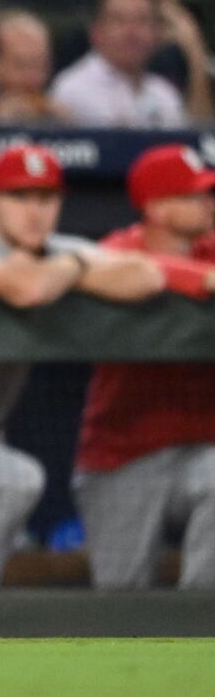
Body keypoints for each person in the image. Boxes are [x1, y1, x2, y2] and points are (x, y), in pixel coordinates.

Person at [0, 145, 163, 586]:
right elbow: (27, 289)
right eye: (20, 197)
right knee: (17, 481)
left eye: (46, 199)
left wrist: (70, 263)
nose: (35, 212)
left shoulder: (60, 249)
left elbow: (148, 276)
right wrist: (76, 270)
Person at [75, 144, 215, 589]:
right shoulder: (117, 248)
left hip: (199, 450)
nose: (208, 203)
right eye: (194, 196)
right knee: (119, 603)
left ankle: (201, 628)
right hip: (123, 453)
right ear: (155, 208)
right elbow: (116, 269)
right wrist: (196, 278)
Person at [50, 0, 207, 127]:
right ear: (96, 32)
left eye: (142, 20)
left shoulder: (164, 93)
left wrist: (193, 48)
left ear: (157, 33)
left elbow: (197, 138)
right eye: (119, 20)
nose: (132, 32)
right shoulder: (73, 90)